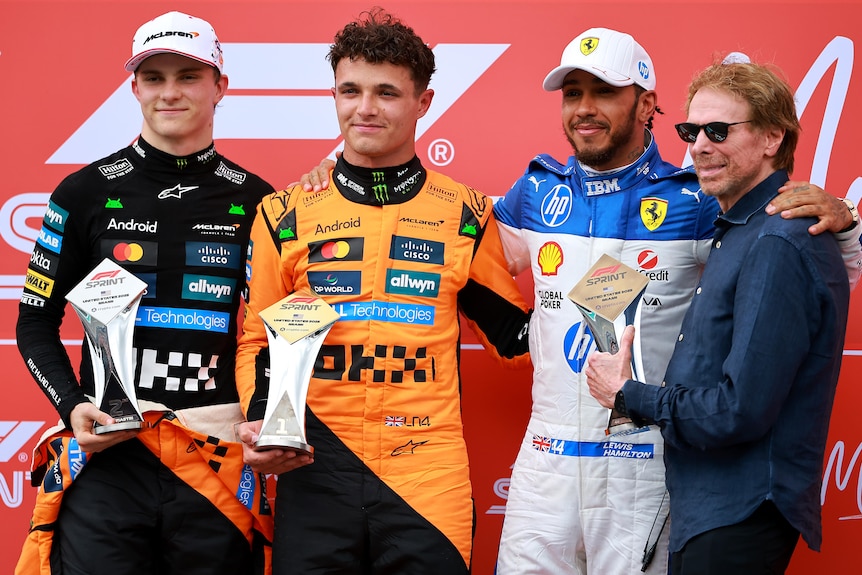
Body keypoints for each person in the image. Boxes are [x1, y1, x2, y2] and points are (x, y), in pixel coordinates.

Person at [300, 27, 861, 574]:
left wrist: (842, 222)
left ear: (647, 105)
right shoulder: (536, 191)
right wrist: (350, 171)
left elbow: (803, 275)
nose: (585, 108)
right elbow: (430, 235)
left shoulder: (699, 195)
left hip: (644, 463)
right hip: (546, 461)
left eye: (604, 92)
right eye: (573, 94)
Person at [234, 8, 532, 575]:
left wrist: (581, 284)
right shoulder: (284, 213)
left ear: (424, 102)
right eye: (350, 90)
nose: (364, 108)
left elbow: (512, 342)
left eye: (386, 93)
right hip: (313, 468)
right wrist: (261, 422)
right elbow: (258, 342)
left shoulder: (465, 215)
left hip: (427, 477)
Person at [15, 11, 283, 575]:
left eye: (188, 76)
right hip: (111, 457)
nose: (169, 92)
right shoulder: (83, 191)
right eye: (154, 77)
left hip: (211, 456)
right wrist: (72, 406)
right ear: (134, 87)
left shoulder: (260, 201)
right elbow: (34, 323)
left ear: (220, 87)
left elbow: (273, 332)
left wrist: (263, 415)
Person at [585, 56, 850, 575]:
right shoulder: (740, 229)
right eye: (691, 129)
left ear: (773, 138)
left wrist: (628, 396)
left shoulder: (778, 239)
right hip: (709, 505)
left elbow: (739, 409)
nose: (700, 145)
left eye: (719, 130)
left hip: (739, 510)